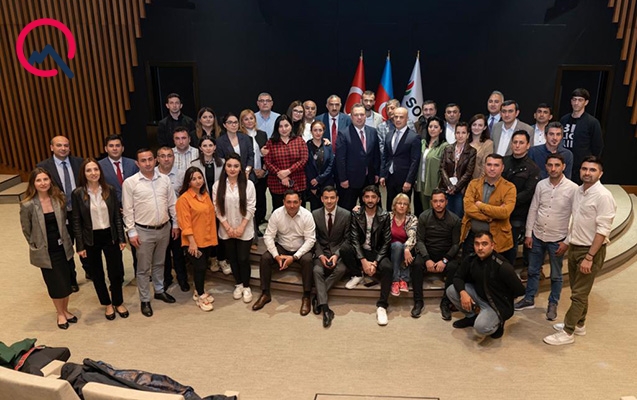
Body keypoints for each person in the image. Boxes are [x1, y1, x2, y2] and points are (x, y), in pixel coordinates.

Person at [543, 156, 616, 346]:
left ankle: (568, 332)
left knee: (578, 294)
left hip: (590, 251)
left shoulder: (603, 196)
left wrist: (590, 257)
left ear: (600, 173)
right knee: (578, 290)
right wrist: (568, 242)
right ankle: (580, 324)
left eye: (592, 170)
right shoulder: (579, 191)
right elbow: (576, 221)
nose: (587, 173)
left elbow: (603, 230)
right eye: (584, 169)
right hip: (575, 246)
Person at [515, 154, 578, 320]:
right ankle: (529, 299)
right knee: (533, 270)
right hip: (537, 235)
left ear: (563, 166)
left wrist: (567, 241)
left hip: (558, 238)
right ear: (546, 166)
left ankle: (553, 303)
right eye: (550, 165)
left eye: (557, 165)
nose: (553, 168)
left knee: (556, 275)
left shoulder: (573, 188)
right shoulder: (541, 185)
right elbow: (534, 209)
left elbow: (575, 216)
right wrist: (528, 234)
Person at [122, 149, 179, 317]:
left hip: (164, 228)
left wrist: (175, 223)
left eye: (150, 159)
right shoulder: (130, 183)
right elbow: (128, 210)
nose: (147, 163)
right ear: (137, 163)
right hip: (143, 231)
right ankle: (145, 299)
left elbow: (172, 203)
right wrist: (131, 232)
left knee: (160, 263)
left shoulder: (165, 179)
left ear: (155, 160)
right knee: (143, 269)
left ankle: (159, 290)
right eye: (143, 160)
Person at [20, 168, 77, 329]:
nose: (43, 183)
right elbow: (26, 229)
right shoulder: (28, 205)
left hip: (62, 247)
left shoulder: (59, 199)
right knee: (54, 284)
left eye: (45, 179)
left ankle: (66, 310)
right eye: (38, 180)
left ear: (50, 181)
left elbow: (64, 221)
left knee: (66, 281)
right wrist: (35, 245)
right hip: (46, 250)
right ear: (33, 184)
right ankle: (60, 313)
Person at [71, 159, 128, 321]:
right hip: (90, 237)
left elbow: (117, 216)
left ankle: (118, 302)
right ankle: (107, 303)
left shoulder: (109, 190)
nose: (93, 173)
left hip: (110, 235)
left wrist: (121, 237)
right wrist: (80, 245)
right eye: (89, 170)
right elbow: (76, 221)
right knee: (97, 273)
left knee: (115, 271)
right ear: (83, 174)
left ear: (100, 171)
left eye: (96, 169)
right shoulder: (78, 194)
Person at [447, 231, 525, 339]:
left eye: (484, 244)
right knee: (451, 290)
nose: (480, 248)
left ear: (492, 245)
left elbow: (520, 290)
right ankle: (471, 316)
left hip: (496, 304)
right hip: (479, 295)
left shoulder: (502, 266)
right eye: (477, 244)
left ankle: (498, 322)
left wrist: (503, 298)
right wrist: (463, 293)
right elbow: (458, 277)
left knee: (481, 327)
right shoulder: (471, 259)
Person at [252, 190, 316, 314]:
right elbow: (268, 236)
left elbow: (310, 240)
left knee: (308, 260)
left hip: (301, 247)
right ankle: (265, 293)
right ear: (283, 202)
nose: (292, 205)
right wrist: (276, 256)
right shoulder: (277, 214)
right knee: (265, 258)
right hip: (283, 246)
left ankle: (306, 296)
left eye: (295, 202)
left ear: (300, 202)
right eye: (289, 202)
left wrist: (295, 257)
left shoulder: (307, 215)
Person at [37, 135, 86, 291]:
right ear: (52, 147)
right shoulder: (43, 166)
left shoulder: (80, 162)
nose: (63, 148)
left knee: (86, 242)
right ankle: (71, 279)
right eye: (59, 145)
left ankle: (90, 270)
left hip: (81, 212)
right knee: (66, 246)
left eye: (66, 145)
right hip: (60, 214)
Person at [340, 186, 393, 326]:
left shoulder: (385, 215)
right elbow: (354, 239)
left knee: (388, 268)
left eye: (373, 197)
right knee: (345, 249)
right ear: (363, 199)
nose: (370, 200)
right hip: (361, 250)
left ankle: (382, 306)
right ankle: (357, 274)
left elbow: (386, 241)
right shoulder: (356, 214)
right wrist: (363, 261)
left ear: (378, 199)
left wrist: (375, 262)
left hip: (377, 251)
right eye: (367, 197)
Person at [411, 189, 462, 320]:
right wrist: (427, 259)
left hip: (446, 254)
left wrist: (445, 260)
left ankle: (446, 302)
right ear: (431, 202)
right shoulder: (424, 216)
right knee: (416, 264)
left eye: (441, 201)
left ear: (446, 202)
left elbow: (456, 244)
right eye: (435, 201)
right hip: (428, 252)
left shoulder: (455, 219)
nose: (438, 204)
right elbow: (420, 241)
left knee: (454, 267)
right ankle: (418, 301)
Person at [212, 154, 256, 304]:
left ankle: (247, 286)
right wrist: (228, 227)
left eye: (236, 166)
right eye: (229, 166)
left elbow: (251, 208)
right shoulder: (218, 185)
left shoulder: (249, 185)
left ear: (240, 168)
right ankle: (238, 284)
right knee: (233, 258)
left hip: (245, 228)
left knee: (243, 258)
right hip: (226, 229)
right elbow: (216, 208)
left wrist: (241, 227)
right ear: (225, 167)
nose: (232, 169)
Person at [176, 167, 218, 311]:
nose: (198, 181)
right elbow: (185, 223)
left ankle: (198, 290)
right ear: (188, 182)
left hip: (207, 238)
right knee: (199, 267)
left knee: (203, 267)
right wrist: (192, 243)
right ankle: (200, 296)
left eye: (200, 178)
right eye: (193, 179)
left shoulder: (205, 195)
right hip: (193, 241)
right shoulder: (184, 199)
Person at [461, 154, 516, 258]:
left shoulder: (509, 188)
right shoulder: (473, 184)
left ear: (502, 168)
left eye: (496, 165)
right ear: (484, 166)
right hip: (473, 236)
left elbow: (504, 213)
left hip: (497, 238)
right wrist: (491, 216)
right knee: (468, 266)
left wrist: (480, 205)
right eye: (489, 164)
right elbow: (468, 208)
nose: (492, 168)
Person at [311, 186, 351, 328]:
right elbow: (313, 238)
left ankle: (317, 297)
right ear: (322, 199)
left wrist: (336, 255)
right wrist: (321, 255)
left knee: (341, 269)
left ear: (337, 199)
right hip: (321, 251)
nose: (329, 201)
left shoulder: (346, 214)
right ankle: (326, 308)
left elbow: (347, 239)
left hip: (338, 252)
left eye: (332, 198)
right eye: (326, 198)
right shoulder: (314, 214)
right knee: (317, 270)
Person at [189, 135, 227, 274]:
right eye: (204, 145)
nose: (208, 148)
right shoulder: (194, 164)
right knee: (209, 231)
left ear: (215, 147)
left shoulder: (223, 162)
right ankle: (213, 258)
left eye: (210, 145)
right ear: (200, 148)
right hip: (203, 203)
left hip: (220, 202)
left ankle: (222, 259)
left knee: (221, 231)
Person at [502, 131, 540, 266]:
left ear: (528, 145)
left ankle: (508, 271)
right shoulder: (503, 162)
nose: (517, 145)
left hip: (517, 213)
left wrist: (509, 204)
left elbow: (528, 192)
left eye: (521, 143)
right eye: (515, 142)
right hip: (498, 210)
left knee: (511, 246)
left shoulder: (533, 168)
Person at [156, 146, 190, 290]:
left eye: (169, 156)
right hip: (159, 218)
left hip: (177, 217)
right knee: (163, 252)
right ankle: (167, 278)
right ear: (157, 159)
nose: (166, 159)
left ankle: (182, 279)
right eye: (162, 156)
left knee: (178, 252)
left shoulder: (181, 174)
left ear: (173, 157)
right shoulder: (153, 174)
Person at [335, 103, 381, 210]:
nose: (359, 117)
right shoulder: (343, 134)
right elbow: (340, 159)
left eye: (362, 114)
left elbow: (376, 154)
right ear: (351, 117)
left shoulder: (373, 132)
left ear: (365, 116)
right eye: (356, 115)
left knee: (371, 208)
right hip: (350, 180)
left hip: (369, 178)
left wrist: (376, 173)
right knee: (347, 209)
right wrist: (343, 179)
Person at [380, 107, 421, 210]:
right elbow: (385, 156)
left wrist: (409, 181)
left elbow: (415, 161)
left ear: (407, 119)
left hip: (404, 179)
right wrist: (383, 175)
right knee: (390, 205)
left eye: (401, 117)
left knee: (403, 207)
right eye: (396, 117)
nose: (398, 120)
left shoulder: (414, 137)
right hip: (390, 177)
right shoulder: (389, 135)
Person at [559, 88, 603, 184]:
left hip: (581, 165)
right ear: (571, 101)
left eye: (580, 100)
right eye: (574, 99)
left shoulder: (592, 122)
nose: (576, 103)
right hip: (564, 162)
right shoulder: (564, 119)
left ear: (586, 102)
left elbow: (597, 146)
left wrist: (591, 164)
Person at [264, 114, 309, 208]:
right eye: (280, 126)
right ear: (277, 128)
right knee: (279, 212)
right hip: (277, 184)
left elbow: (304, 159)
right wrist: (281, 175)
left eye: (286, 125)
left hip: (298, 182)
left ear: (291, 126)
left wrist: (288, 171)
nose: (284, 129)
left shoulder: (299, 141)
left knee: (299, 211)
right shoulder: (270, 142)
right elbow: (267, 162)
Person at [439, 121, 477, 218]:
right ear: (455, 134)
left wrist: (456, 188)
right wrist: (449, 185)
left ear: (468, 135)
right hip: (446, 187)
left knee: (458, 216)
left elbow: (468, 173)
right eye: (458, 132)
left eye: (463, 133)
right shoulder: (447, 148)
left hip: (461, 189)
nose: (460, 136)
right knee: (445, 215)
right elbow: (442, 168)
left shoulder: (472, 151)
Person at [239, 109, 269, 229]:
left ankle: (259, 224)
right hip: (247, 174)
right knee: (250, 201)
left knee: (261, 200)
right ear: (242, 122)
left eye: (251, 118)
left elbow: (267, 154)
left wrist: (263, 170)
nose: (249, 121)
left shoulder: (262, 134)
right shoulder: (240, 136)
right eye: (246, 119)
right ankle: (251, 227)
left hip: (262, 173)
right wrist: (251, 171)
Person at [387, 194, 418, 297]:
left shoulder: (412, 219)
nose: (402, 206)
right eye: (399, 203)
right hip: (390, 249)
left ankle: (403, 280)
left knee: (403, 247)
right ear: (394, 205)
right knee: (397, 245)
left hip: (407, 250)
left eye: (405, 204)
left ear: (408, 207)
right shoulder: (387, 217)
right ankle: (395, 280)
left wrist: (407, 248)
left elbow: (412, 236)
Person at [416, 116, 449, 211]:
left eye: (436, 127)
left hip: (435, 184)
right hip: (422, 182)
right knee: (425, 211)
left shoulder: (444, 146)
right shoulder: (423, 143)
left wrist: (440, 185)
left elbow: (445, 168)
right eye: (430, 127)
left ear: (441, 130)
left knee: (436, 211)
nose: (432, 129)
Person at [98, 134, 139, 205]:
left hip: (133, 203)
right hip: (110, 205)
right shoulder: (99, 166)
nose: (114, 148)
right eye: (111, 146)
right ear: (106, 149)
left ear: (122, 148)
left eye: (117, 146)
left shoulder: (133, 164)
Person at [305, 121, 335, 211]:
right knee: (315, 210)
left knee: (328, 209)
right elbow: (306, 166)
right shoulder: (306, 146)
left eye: (320, 130)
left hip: (326, 183)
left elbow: (331, 165)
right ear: (311, 131)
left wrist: (319, 179)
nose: (318, 133)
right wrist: (313, 185)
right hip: (312, 184)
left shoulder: (328, 146)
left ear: (323, 131)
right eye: (315, 130)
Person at [216, 113, 255, 180]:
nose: (233, 125)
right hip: (229, 175)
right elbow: (221, 160)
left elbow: (251, 156)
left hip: (247, 174)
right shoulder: (220, 141)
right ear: (224, 125)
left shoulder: (246, 138)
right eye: (230, 122)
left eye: (235, 122)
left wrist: (247, 171)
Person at [468, 114, 494, 179]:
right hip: (461, 181)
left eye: (480, 125)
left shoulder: (488, 144)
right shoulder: (464, 142)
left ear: (484, 127)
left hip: (478, 181)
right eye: (474, 125)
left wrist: (478, 183)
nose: (476, 127)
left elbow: (485, 167)